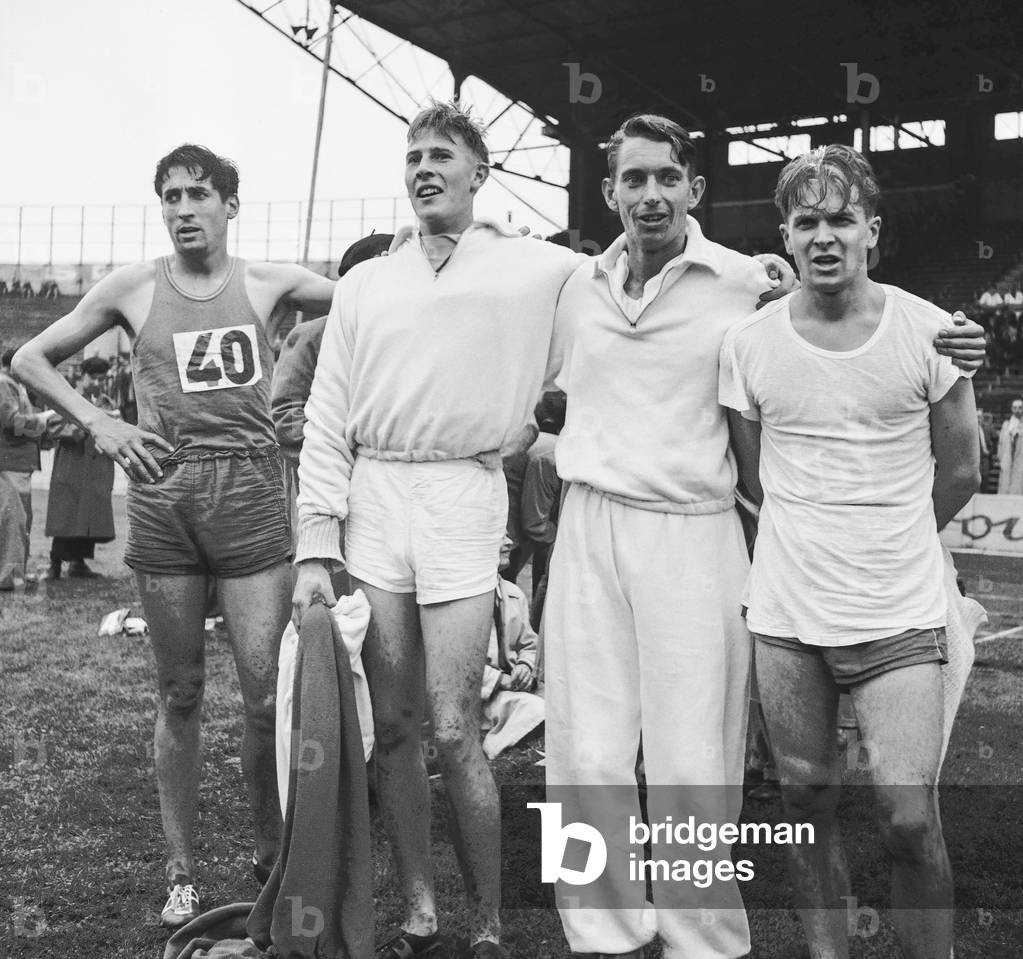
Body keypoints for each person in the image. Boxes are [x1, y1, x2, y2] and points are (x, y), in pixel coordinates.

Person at [541, 116, 987, 959]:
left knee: (694, 751)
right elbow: (755, 469)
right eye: (631, 179)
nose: (649, 194)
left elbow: (942, 467)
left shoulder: (745, 282)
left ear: (694, 190)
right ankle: (600, 932)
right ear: (608, 192)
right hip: (593, 522)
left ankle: (701, 935)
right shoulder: (571, 283)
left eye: (666, 177)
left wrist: (892, 537)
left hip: (694, 527)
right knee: (584, 743)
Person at [12, 144, 336, 929]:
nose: (184, 208)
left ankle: (272, 857)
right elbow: (30, 356)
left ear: (230, 203)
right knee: (180, 690)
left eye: (198, 194)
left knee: (264, 697)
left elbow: (383, 303)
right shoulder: (132, 286)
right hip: (165, 496)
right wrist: (99, 418)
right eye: (170, 197)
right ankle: (182, 870)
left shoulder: (274, 282)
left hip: (253, 495)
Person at [291, 101, 585, 959]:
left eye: (442, 155)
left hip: (462, 492)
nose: (424, 168)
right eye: (413, 155)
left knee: (457, 726)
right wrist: (317, 542)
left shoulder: (536, 268)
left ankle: (488, 919)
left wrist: (535, 421)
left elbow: (628, 278)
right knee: (396, 724)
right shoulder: (365, 282)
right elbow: (326, 416)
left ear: (479, 172)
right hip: (377, 494)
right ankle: (420, 908)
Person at [720, 144, 979, 959]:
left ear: (871, 228)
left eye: (839, 219)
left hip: (899, 610)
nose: (823, 236)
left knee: (907, 816)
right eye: (806, 222)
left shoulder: (931, 332)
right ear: (785, 238)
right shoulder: (749, 343)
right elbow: (754, 474)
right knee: (806, 799)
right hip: (788, 614)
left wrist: (891, 532)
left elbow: (963, 469)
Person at [45, 356, 118, 579]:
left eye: (101, 379)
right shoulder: (68, 398)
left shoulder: (105, 401)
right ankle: (55, 564)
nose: (97, 383)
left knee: (88, 517)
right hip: (73, 464)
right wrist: (88, 424)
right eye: (93, 378)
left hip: (95, 467)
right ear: (82, 376)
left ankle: (78, 563)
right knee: (67, 515)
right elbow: (55, 429)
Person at [0, 347, 59, 589]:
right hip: (10, 462)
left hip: (18, 462)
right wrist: (43, 420)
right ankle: (9, 576)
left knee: (20, 518)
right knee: (14, 519)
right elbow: (12, 424)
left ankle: (17, 572)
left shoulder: (14, 384)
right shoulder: (4, 383)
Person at [997, 397, 1023, 493]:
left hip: (1020, 463)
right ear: (1012, 409)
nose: (1017, 410)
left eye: (1020, 408)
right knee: (1005, 487)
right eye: (1015, 408)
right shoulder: (1006, 425)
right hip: (1007, 462)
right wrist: (1001, 460)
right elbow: (1000, 444)